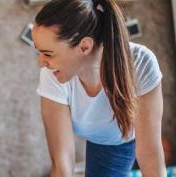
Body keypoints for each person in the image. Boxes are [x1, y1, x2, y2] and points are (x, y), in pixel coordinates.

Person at [32, 0, 166, 176]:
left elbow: (150, 156)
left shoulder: (141, 63)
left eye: (48, 53)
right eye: (39, 52)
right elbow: (62, 162)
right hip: (99, 138)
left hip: (120, 141)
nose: (40, 62)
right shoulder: (53, 72)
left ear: (84, 46)